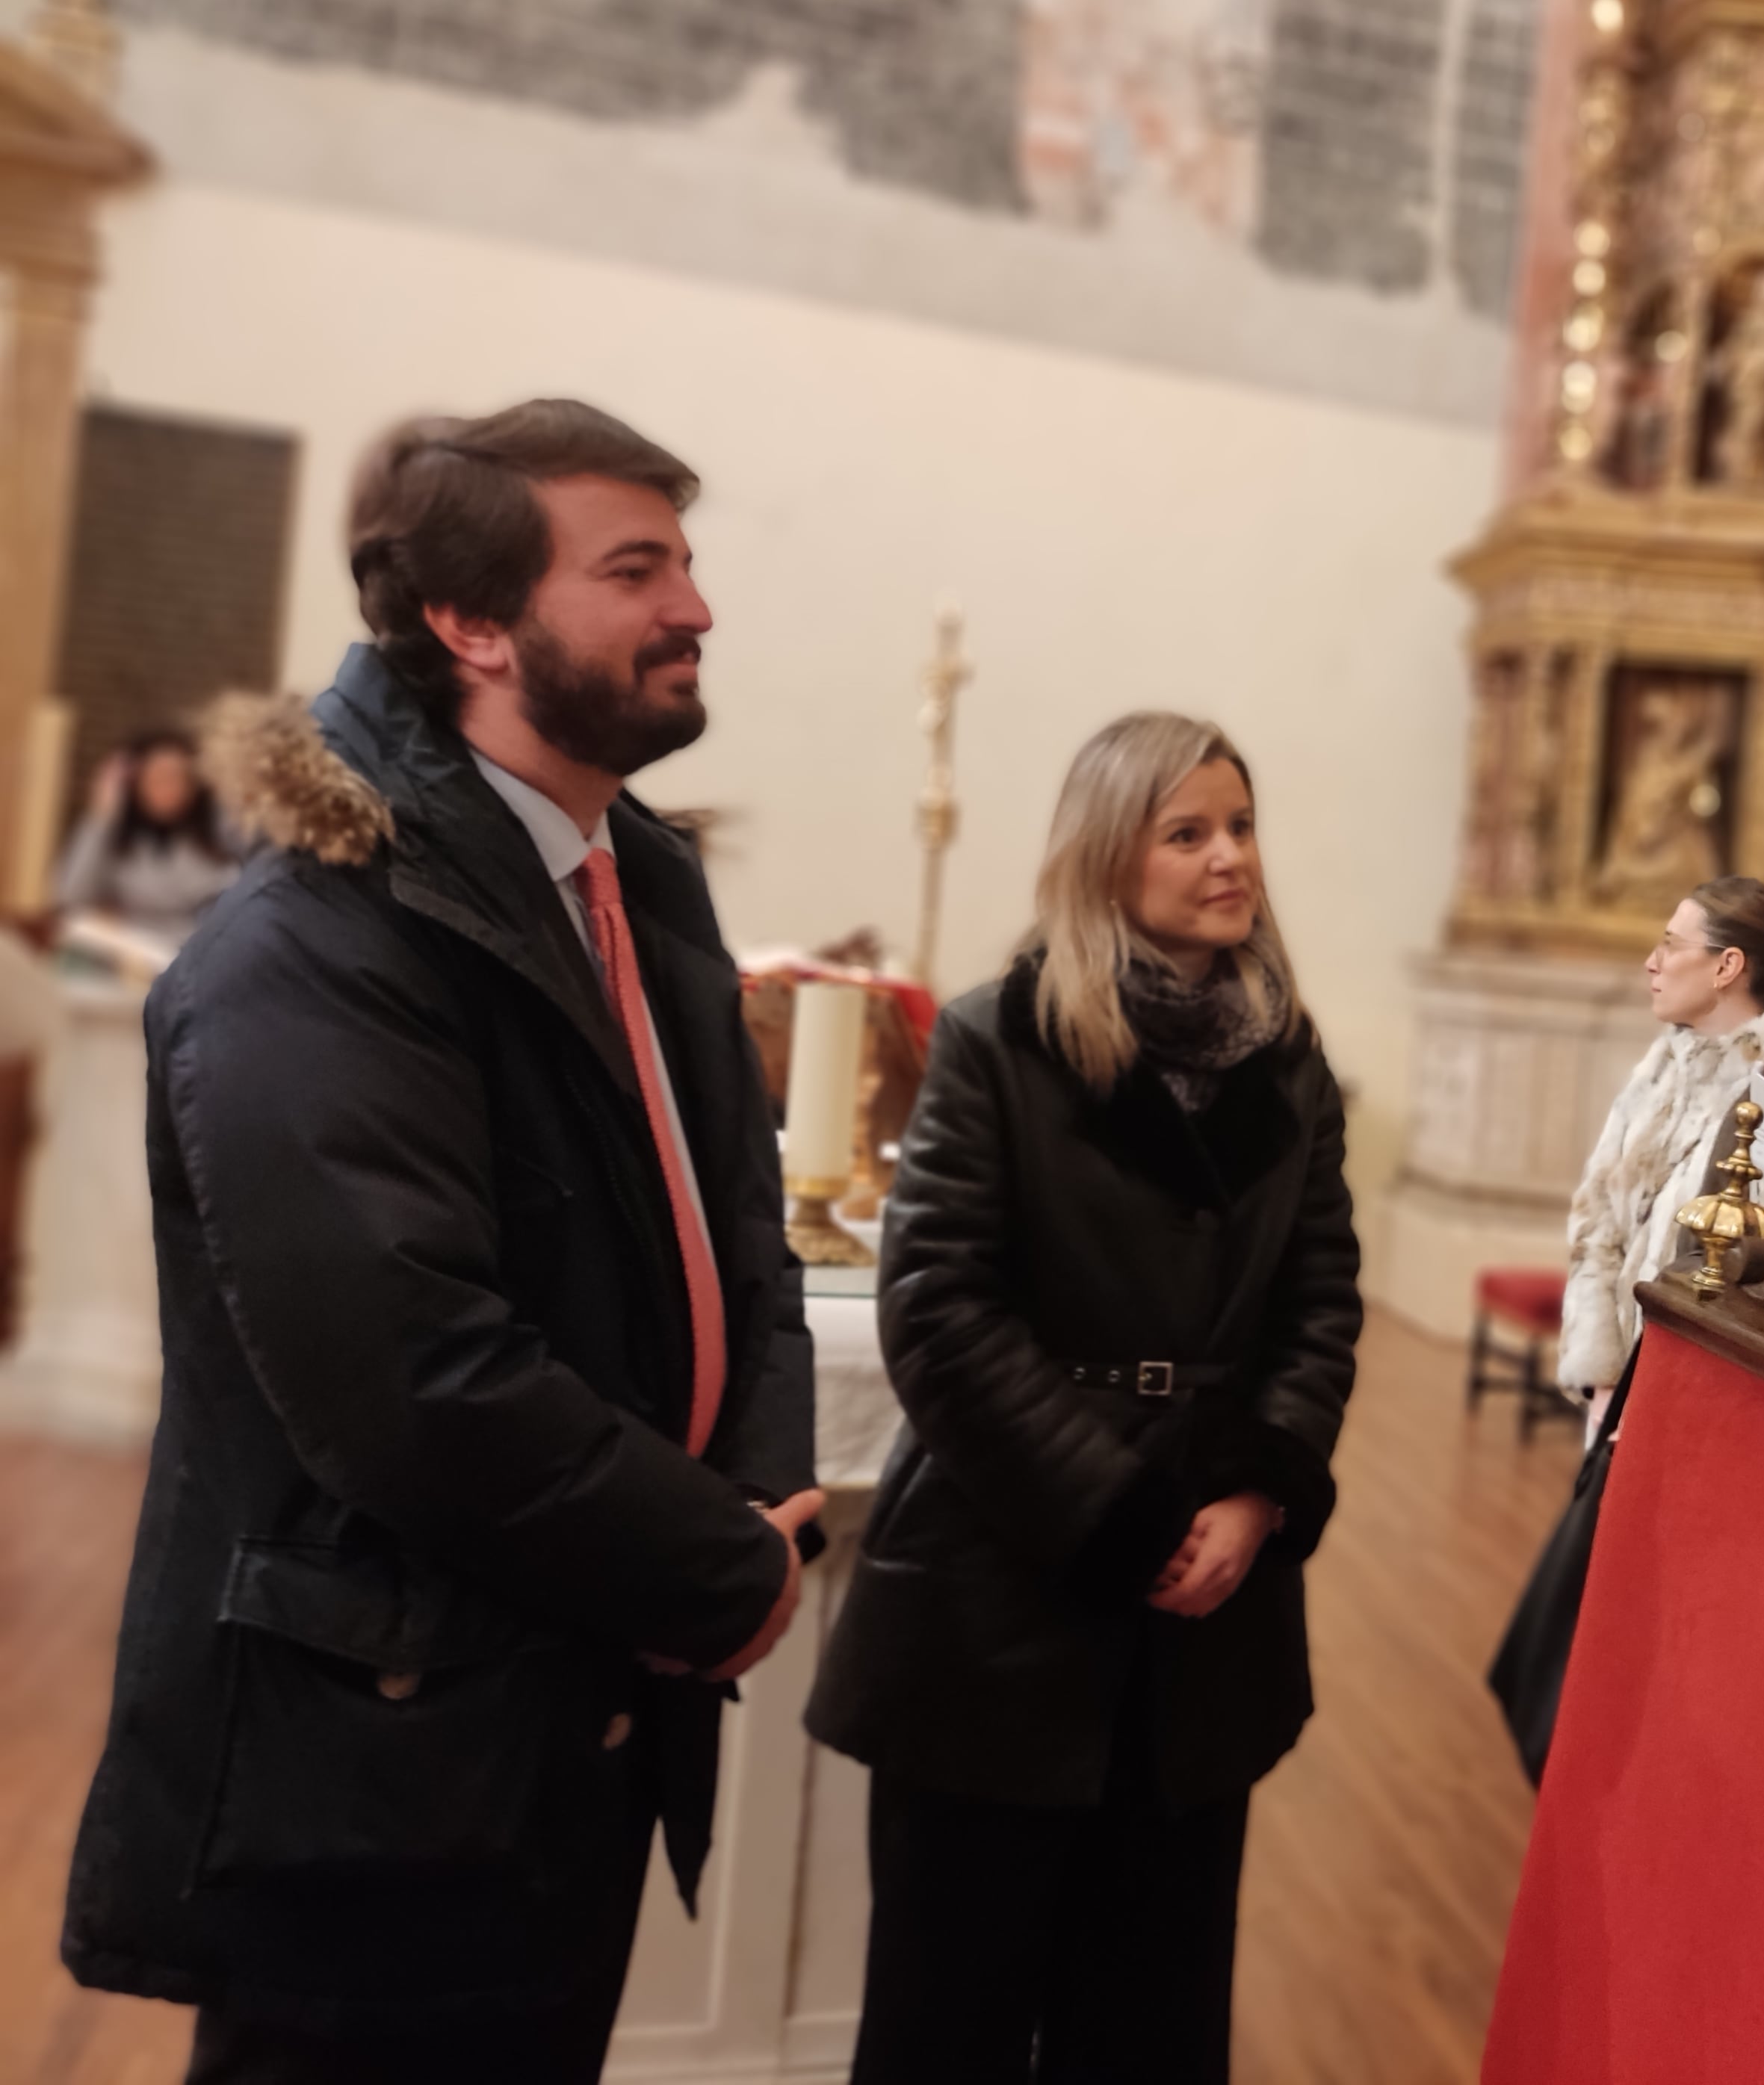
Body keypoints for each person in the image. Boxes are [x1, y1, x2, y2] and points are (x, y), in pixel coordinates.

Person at [61, 400, 821, 2083]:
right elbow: (414, 1378)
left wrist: (751, 1490)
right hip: (387, 1761)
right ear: (472, 625)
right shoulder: (312, 939)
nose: (693, 605)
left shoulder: (636, 876)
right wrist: (716, 1566)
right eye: (635, 568)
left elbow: (734, 1236)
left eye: (685, 561)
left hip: (576, 1707)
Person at [807, 710, 1361, 2085]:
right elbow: (937, 1307)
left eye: (1240, 826)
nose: (1230, 858)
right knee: (952, 2018)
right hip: (1005, 1586)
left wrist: (1256, 1489)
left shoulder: (1287, 1063)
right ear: (1110, 857)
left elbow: (1322, 1303)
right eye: (1189, 833)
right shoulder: (1006, 1037)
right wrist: (1122, 1521)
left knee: (1150, 2024)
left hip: (1208, 1614)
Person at [1559, 875, 1764, 1425]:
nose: (1653, 961)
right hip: (1613, 1397)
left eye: (1671, 945)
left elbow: (1740, 1277)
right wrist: (1601, 1378)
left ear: (1727, 966)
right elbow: (1595, 1223)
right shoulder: (1659, 1069)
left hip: (1686, 1406)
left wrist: (1648, 1404)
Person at [52, 727, 239, 944]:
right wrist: (102, 817)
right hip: (124, 951)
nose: (170, 788)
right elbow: (70, 896)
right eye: (158, 777)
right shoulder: (118, 838)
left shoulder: (215, 832)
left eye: (179, 777)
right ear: (135, 782)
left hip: (194, 952)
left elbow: (230, 908)